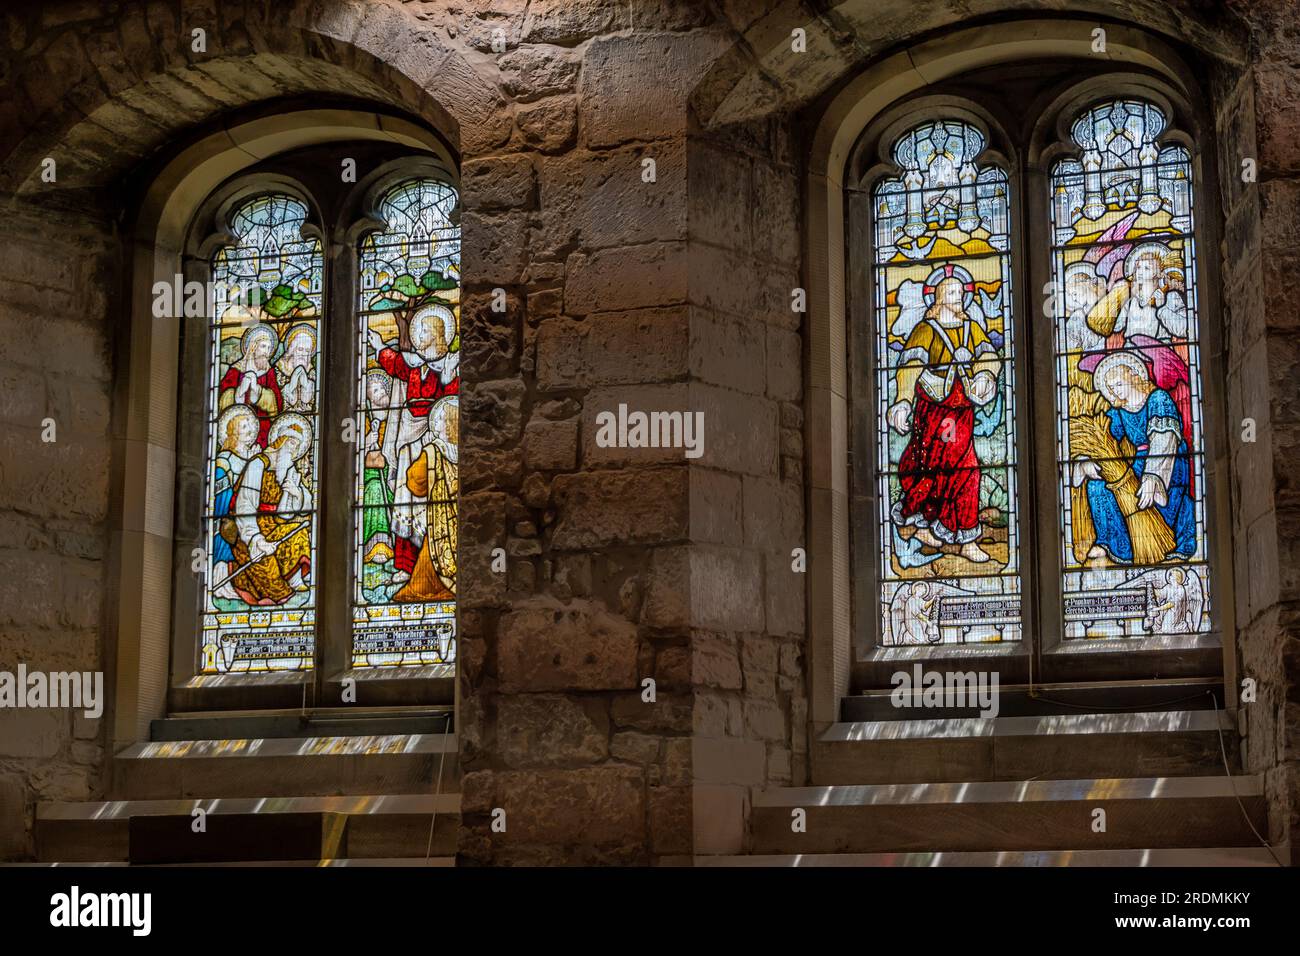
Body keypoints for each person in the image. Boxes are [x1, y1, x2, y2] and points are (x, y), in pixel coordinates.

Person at [887, 264, 1000, 564]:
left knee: (967, 469)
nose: (958, 295)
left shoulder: (971, 327)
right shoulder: (925, 330)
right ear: (937, 296)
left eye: (961, 291)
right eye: (951, 291)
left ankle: (964, 534)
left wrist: (986, 375)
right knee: (935, 467)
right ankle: (929, 525)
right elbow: (909, 367)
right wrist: (901, 401)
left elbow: (989, 356)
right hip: (934, 415)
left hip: (962, 412)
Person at [1074, 352, 1196, 563]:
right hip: (1140, 462)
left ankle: (1169, 542)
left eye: (1118, 383)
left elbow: (1164, 438)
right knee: (1097, 487)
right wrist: (1085, 460)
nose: (1115, 390)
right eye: (1111, 388)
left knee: (1149, 493)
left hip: (1169, 461)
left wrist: (1153, 476)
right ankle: (1113, 545)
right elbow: (1102, 435)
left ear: (1133, 375)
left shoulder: (1158, 399)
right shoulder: (1120, 411)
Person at [226, 414, 314, 605]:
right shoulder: (258, 465)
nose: (294, 451)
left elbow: (304, 504)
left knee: (298, 535)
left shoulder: (288, 469)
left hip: (275, 526)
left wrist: (297, 494)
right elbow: (245, 506)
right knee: (272, 582)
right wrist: (257, 540)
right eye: (291, 444)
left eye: (297, 447)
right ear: (280, 442)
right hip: (250, 532)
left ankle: (294, 578)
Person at [394, 396, 458, 603]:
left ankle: (426, 592)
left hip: (440, 519)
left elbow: (415, 482)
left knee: (430, 560)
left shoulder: (433, 451)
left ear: (448, 424)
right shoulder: (466, 451)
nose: (435, 424)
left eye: (439, 420)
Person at [211, 404, 259, 601]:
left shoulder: (255, 457)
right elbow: (221, 496)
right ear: (233, 433)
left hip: (249, 514)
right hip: (228, 517)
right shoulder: (224, 460)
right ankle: (221, 583)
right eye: (244, 427)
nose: (250, 431)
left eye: (250, 426)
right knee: (227, 535)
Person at [218, 323, 282, 446]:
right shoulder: (236, 370)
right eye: (263, 346)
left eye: (269, 348)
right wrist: (239, 392)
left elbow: (278, 403)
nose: (266, 352)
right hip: (237, 429)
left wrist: (258, 392)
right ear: (253, 347)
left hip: (264, 433)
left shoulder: (269, 373)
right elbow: (221, 399)